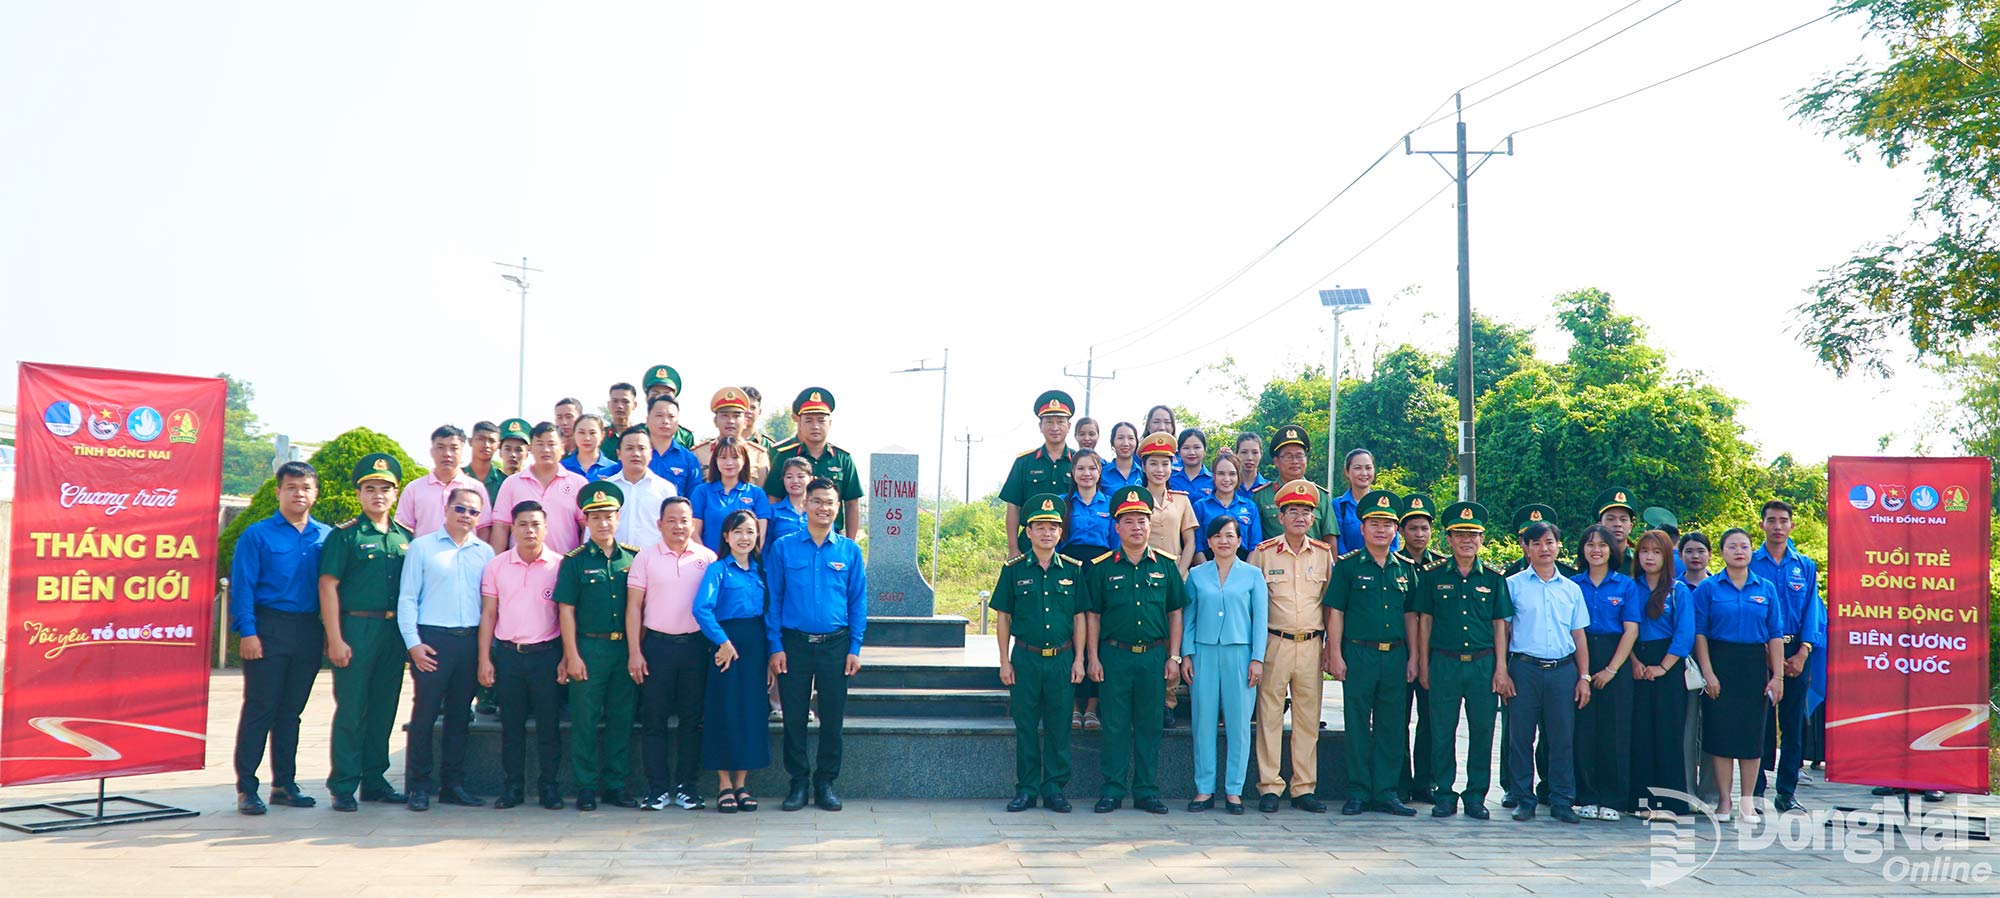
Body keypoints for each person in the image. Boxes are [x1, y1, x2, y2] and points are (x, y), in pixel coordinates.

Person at [230, 461, 332, 815]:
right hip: (268, 627)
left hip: (308, 629)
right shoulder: (257, 535)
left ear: (315, 493)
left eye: (305, 487)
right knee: (260, 709)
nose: (298, 493)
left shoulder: (325, 537)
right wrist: (248, 632)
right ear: (278, 492)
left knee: (291, 712)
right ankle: (247, 788)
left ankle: (284, 784)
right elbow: (243, 586)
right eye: (291, 487)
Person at [766, 477, 869, 812]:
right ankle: (798, 783)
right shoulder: (784, 547)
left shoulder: (849, 551)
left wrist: (855, 648)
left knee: (832, 718)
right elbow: (774, 599)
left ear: (838, 508)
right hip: (793, 644)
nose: (823, 508)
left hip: (836, 645)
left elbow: (858, 602)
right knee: (794, 717)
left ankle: (825, 783)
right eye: (817, 501)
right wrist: (775, 646)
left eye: (830, 502)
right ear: (805, 505)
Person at [318, 453, 414, 812]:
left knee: (384, 707)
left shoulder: (405, 538)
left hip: (393, 631)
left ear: (396, 493)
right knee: (352, 708)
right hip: (357, 627)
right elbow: (328, 586)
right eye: (370, 489)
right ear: (359, 494)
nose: (378, 495)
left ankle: (374, 779)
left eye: (385, 489)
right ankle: (343, 783)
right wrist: (335, 638)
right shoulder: (346, 536)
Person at [1085, 486, 1188, 815]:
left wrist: (1173, 657)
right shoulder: (1102, 567)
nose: (1136, 527)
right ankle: (1112, 790)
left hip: (1153, 657)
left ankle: (1146, 791)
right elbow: (1093, 616)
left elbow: (1175, 613)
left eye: (1142, 520)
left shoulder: (1166, 565)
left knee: (1149, 725)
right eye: (1128, 521)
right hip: (1114, 656)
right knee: (1114, 726)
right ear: (1117, 527)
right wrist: (1093, 657)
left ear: (1149, 524)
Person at [1410, 500, 1512, 820]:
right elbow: (1424, 622)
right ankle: (1444, 793)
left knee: (1482, 731)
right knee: (1442, 731)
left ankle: (1476, 795)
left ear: (1482, 539)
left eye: (1473, 534)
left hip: (1482, 664)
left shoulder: (1494, 579)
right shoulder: (1432, 576)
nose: (1467, 540)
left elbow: (1500, 626)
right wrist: (1423, 664)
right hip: (1444, 662)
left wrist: (1501, 668)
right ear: (1449, 539)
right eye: (1460, 534)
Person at [397, 485, 496, 811]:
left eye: (473, 511)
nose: (466, 515)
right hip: (433, 641)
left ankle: (453, 784)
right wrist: (414, 644)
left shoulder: (485, 553)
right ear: (446, 509)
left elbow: (489, 605)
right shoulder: (422, 547)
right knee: (425, 715)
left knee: (459, 716)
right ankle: (419, 786)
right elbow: (408, 598)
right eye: (460, 508)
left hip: (469, 641)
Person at [1322, 489, 1419, 817]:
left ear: (1396, 530)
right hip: (1358, 654)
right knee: (1358, 725)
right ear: (1362, 528)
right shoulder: (1348, 567)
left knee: (1392, 726)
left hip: (1395, 656)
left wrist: (1414, 657)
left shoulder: (1405, 568)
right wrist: (1335, 653)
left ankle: (1386, 792)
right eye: (1374, 524)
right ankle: (1358, 791)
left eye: (1387, 524)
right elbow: (1336, 612)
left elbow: (1412, 616)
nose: (1381, 530)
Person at [991, 494, 1087, 813]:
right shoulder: (1014, 570)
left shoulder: (1073, 570)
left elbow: (1080, 617)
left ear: (1061, 532)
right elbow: (1003, 617)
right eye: (1040, 527)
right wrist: (1004, 661)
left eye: (1053, 527)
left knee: (1059, 727)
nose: (1047, 533)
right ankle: (1027, 789)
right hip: (1026, 659)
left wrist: (1079, 659)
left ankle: (1055, 789)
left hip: (1061, 659)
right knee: (1026, 726)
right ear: (1028, 532)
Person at [1247, 480, 1334, 814]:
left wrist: (1330, 646)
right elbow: (1251, 605)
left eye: (1306, 512)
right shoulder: (1263, 553)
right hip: (1274, 643)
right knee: (1269, 717)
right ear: (1280, 517)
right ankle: (1270, 786)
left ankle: (1303, 788)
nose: (1300, 517)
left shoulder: (1323, 555)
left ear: (1313, 518)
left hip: (1311, 644)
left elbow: (1330, 606)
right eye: (1293, 511)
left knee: (1307, 719)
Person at [626, 496, 718, 811]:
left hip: (695, 648)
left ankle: (687, 787)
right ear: (660, 524)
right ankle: (657, 788)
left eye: (684, 520)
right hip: (657, 647)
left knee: (692, 720)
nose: (679, 526)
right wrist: (635, 651)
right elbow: (633, 607)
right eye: (672, 520)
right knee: (654, 720)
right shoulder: (645, 558)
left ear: (693, 524)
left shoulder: (707, 557)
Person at [555, 481, 642, 812]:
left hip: (625, 650)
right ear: (586, 521)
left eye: (608, 516)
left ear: (618, 518)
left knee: (622, 718)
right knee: (585, 720)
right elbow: (566, 610)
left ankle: (616, 785)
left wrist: (637, 651)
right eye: (596, 517)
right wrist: (571, 655)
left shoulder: (633, 558)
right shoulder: (574, 561)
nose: (603, 523)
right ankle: (586, 786)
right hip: (589, 649)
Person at [476, 500, 566, 811]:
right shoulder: (497, 565)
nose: (529, 530)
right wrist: (484, 658)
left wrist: (566, 658)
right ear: (512, 528)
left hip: (547, 655)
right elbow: (489, 614)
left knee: (548, 726)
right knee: (511, 726)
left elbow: (566, 615)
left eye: (536, 524)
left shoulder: (559, 565)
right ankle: (512, 786)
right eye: (523, 524)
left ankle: (549, 787)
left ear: (546, 528)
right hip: (508, 656)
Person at [1692, 528, 1785, 822]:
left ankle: (1747, 802)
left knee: (1751, 737)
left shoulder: (1766, 588)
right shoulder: (1708, 588)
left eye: (1744, 546)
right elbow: (1699, 633)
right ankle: (1724, 802)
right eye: (1732, 546)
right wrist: (1708, 672)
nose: (1739, 551)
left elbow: (1775, 634)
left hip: (1754, 665)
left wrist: (1778, 676)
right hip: (1720, 661)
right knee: (1720, 735)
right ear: (1721, 552)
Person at [1501, 519, 1591, 824]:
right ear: (1526, 548)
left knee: (1561, 737)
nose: (1544, 549)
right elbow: (1503, 631)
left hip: (1563, 670)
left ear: (1558, 546)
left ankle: (1561, 799)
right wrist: (1502, 670)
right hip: (1524, 668)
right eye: (1536, 543)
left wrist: (1584, 676)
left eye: (1549, 542)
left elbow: (1579, 635)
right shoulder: (1513, 585)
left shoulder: (1571, 588)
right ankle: (1523, 798)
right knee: (1520, 737)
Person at [1179, 516, 1267, 814]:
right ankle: (1204, 789)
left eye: (1230, 536)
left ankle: (1234, 790)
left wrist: (1257, 658)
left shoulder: (1253, 575)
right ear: (1209, 541)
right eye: (1217, 536)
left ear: (1240, 541)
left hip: (1240, 654)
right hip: (1203, 653)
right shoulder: (1197, 575)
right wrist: (1186, 654)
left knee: (1239, 724)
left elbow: (1260, 621)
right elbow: (1189, 618)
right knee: (1202, 722)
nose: (1224, 541)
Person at [693, 510, 772, 812]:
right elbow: (702, 608)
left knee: (751, 713)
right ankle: (724, 784)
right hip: (726, 648)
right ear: (726, 536)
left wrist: (770, 656)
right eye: (738, 532)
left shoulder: (761, 572)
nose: (744, 538)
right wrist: (723, 642)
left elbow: (769, 615)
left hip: (755, 648)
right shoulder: (718, 570)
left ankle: (742, 784)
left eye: (750, 532)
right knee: (724, 711)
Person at [1750, 500, 1824, 813]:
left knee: (1793, 724)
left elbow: (1812, 611)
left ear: (1792, 525)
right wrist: (1769, 653)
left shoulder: (1804, 566)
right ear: (1762, 525)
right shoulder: (1751, 562)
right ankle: (1755, 790)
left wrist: (1803, 652)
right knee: (1759, 722)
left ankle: (1786, 792)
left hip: (1795, 652)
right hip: (1760, 650)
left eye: (1783, 520)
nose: (1777, 526)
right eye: (1771, 520)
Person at [1570, 524, 1642, 821]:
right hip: (1580, 655)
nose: (1596, 550)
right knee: (1583, 730)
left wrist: (1612, 670)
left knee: (1615, 731)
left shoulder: (1625, 585)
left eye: (1602, 545)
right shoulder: (1573, 584)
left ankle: (1613, 798)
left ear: (1612, 550)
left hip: (1616, 659)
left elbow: (1631, 630)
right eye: (1590, 544)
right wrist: (1584, 673)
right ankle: (1586, 795)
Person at [1627, 529, 1695, 820]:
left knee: (1668, 734)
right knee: (1640, 734)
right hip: (1635, 662)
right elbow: (1624, 628)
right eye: (1644, 551)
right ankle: (1641, 802)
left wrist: (1663, 667)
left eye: (1656, 552)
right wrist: (1633, 662)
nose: (1650, 557)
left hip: (1668, 665)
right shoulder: (1631, 587)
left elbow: (1684, 634)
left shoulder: (1678, 591)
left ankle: (1671, 803)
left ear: (1667, 556)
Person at [1394, 493, 1445, 805]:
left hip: (1433, 654)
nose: (1419, 534)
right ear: (1401, 531)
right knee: (1397, 719)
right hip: (1398, 652)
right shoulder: (1393, 563)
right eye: (1412, 528)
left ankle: (1426, 781)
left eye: (1424, 528)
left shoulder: (1441, 566)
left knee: (1431, 720)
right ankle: (1400, 781)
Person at [763, 388, 864, 538]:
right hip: (789, 535)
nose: (815, 426)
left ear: (830, 423)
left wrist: (850, 542)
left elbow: (852, 503)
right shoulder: (784, 456)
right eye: (809, 420)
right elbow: (773, 497)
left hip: (831, 536)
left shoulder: (843, 459)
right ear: (800, 423)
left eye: (821, 420)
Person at [484, 422, 587, 554]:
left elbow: (586, 527)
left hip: (565, 563)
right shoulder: (512, 483)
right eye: (540, 444)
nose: (546, 449)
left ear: (562, 448)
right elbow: (501, 527)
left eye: (551, 444)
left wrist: (580, 561)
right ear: (531, 448)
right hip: (522, 563)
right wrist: (496, 562)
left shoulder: (578, 483)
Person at [1001, 390, 1076, 554]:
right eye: (1049, 422)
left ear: (1069, 426)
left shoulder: (1080, 462)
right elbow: (1013, 507)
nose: (1055, 428)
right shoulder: (1024, 462)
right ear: (1040, 426)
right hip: (1030, 542)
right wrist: (1013, 548)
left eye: (1060, 422)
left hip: (1069, 542)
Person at [1250, 424, 1336, 545]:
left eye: (1299, 456)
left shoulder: (1320, 495)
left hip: (1313, 556)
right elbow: (1254, 539)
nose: (1295, 461)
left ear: (1306, 459)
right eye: (1288, 456)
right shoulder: (1261, 496)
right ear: (1276, 461)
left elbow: (1330, 537)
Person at [1677, 531, 1715, 802]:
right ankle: (1687, 791)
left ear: (1710, 554)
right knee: (1687, 729)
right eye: (1689, 551)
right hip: (1683, 664)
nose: (1695, 556)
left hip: (1715, 662)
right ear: (1680, 556)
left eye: (1700, 551)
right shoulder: (1673, 587)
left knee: (1714, 728)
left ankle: (1710, 792)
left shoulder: (1718, 586)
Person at [395, 425, 484, 537]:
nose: (447, 453)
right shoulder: (413, 489)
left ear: (462, 452)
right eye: (441, 447)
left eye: (454, 448)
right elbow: (402, 529)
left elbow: (484, 529)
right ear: (431, 451)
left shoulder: (476, 488)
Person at [691, 436, 771, 552]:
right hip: (709, 560)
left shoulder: (757, 493)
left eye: (735, 457)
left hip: (744, 560)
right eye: (723, 457)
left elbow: (760, 537)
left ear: (744, 460)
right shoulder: (702, 491)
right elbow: (694, 532)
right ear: (715, 460)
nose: (729, 463)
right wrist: (707, 558)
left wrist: (743, 559)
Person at [606, 424, 677, 548]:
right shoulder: (607, 488)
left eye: (641, 448)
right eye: (629, 448)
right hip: (613, 558)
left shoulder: (665, 489)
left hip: (653, 557)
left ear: (650, 454)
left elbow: (673, 530)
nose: (636, 453)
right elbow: (592, 530)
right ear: (619, 454)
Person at [1137, 432, 1196, 578]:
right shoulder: (1136, 500)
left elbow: (1190, 542)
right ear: (1143, 467)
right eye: (1153, 464)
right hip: (1144, 573)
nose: (1160, 470)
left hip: (1176, 571)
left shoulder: (1181, 500)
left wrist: (1179, 573)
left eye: (1165, 464)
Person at [692, 387, 772, 488]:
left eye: (736, 416)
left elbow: (762, 491)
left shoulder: (759, 455)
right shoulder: (699, 453)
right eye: (725, 415)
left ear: (745, 422)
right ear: (715, 421)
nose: (731, 421)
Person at [1190, 450, 1258, 564]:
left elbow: (1255, 546)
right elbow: (1197, 546)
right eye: (1221, 473)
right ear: (1213, 476)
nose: (1227, 479)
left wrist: (1244, 571)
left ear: (1238, 476)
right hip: (1208, 564)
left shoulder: (1250, 507)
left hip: (1243, 565)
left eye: (1232, 474)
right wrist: (1207, 571)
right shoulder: (1200, 506)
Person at [644, 395, 703, 499]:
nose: (665, 421)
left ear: (677, 422)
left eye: (671, 417)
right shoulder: (635, 454)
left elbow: (694, 497)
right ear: (647, 420)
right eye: (659, 415)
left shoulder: (688, 459)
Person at [1062, 450, 1113, 563]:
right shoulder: (1062, 502)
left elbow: (1116, 543)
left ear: (1100, 471)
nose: (1086, 473)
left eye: (1092, 468)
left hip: (1103, 564)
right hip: (1068, 564)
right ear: (1073, 471)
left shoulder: (1110, 504)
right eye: (1080, 468)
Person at [1328, 449, 1383, 555]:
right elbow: (1338, 542)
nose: (1364, 473)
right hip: (1348, 564)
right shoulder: (1338, 506)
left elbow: (1392, 543)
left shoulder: (1382, 505)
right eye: (1358, 468)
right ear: (1347, 472)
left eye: (1368, 468)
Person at [641, 364, 697, 448]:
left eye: (666, 395)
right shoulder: (636, 433)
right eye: (655, 394)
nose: (660, 399)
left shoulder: (685, 437)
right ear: (647, 399)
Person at [766, 456, 813, 549]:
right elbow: (766, 546)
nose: (795, 481)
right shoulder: (773, 512)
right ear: (783, 479)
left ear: (811, 479)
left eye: (800, 476)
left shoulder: (818, 510)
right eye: (789, 477)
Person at [562, 414, 620, 481]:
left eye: (592, 433)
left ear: (602, 435)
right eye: (581, 432)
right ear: (574, 434)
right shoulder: (562, 467)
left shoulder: (614, 469)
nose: (587, 438)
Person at [1593, 488, 1640, 570]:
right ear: (1599, 525)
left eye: (1623, 519)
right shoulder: (1590, 559)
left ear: (1630, 527)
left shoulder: (1640, 562)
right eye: (1611, 519)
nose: (1618, 524)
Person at [466, 421, 507, 501]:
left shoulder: (504, 482)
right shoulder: (457, 478)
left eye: (491, 441)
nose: (486, 445)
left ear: (498, 445)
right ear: (470, 441)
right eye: (481, 439)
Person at [1099, 422, 1145, 493]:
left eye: (1131, 438)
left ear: (1136, 442)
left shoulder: (1143, 473)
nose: (1126, 443)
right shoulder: (1102, 474)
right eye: (1120, 438)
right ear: (1112, 442)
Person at [1168, 428, 1213, 499]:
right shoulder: (1170, 480)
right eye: (1186, 448)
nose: (1192, 452)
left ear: (1205, 450)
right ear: (1179, 452)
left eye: (1197, 447)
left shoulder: (1214, 481)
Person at [742, 386, 779, 454]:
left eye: (753, 407)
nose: (748, 411)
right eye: (744, 406)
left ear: (759, 412)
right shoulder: (723, 443)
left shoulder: (769, 446)